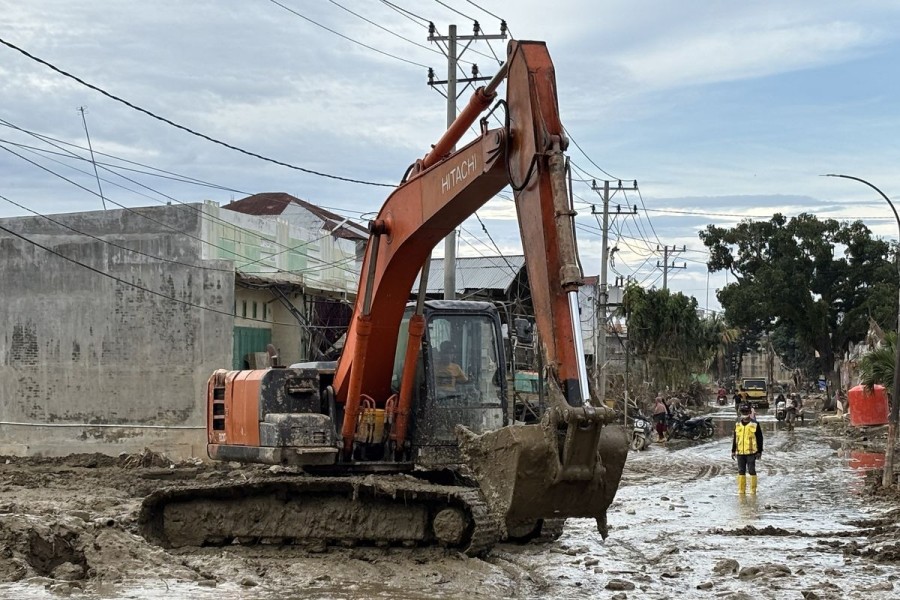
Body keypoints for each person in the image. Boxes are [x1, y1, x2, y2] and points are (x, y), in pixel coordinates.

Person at [732, 403, 763, 494]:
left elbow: (759, 439)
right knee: (741, 471)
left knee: (751, 470)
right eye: (743, 412)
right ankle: (741, 491)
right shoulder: (737, 424)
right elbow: (735, 438)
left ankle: (753, 491)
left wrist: (759, 451)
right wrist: (733, 450)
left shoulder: (755, 424)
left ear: (750, 412)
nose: (744, 413)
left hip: (751, 453)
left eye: (746, 411)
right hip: (740, 453)